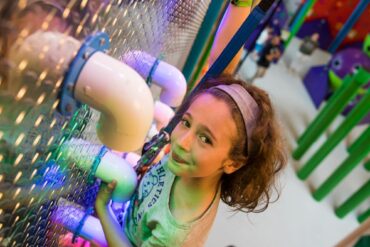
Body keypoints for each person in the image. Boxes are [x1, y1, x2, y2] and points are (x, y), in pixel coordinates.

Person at [95, 76, 287, 247]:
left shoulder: (174, 234)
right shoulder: (192, 166)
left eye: (205, 139)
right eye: (186, 122)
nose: (182, 142)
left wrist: (103, 210)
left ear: (232, 164)